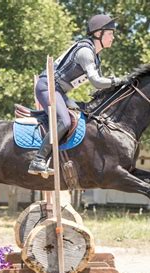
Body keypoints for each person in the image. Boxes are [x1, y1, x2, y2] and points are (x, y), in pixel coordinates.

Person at [28, 14, 128, 175]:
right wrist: (120, 80)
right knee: (65, 121)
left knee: (82, 113)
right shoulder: (85, 52)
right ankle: (38, 160)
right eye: (110, 33)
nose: (113, 37)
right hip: (47, 87)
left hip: (59, 91)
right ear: (98, 34)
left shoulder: (95, 56)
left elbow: (99, 88)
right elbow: (96, 81)